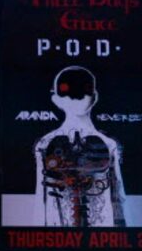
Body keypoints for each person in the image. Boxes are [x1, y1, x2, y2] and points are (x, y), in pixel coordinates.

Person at [33, 66, 127, 227]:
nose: (76, 99)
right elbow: (40, 194)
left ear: (95, 97)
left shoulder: (109, 145)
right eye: (68, 92)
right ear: (55, 99)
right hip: (58, 233)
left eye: (83, 91)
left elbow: (117, 194)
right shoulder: (45, 144)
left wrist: (122, 233)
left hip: (101, 234)